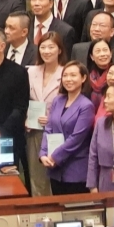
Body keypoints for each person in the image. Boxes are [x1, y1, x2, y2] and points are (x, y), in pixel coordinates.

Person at [40, 61, 95, 194]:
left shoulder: (86, 105)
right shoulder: (57, 100)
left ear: (83, 78)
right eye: (65, 75)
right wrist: (43, 153)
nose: (68, 79)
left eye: (73, 75)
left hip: (75, 170)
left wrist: (54, 157)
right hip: (54, 170)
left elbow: (76, 138)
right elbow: (49, 128)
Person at [26, 31, 67, 196]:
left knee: (54, 177)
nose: (47, 51)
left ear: (60, 50)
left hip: (57, 133)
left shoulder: (66, 73)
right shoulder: (30, 71)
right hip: (33, 131)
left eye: (51, 47)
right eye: (43, 47)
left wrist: (52, 118)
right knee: (36, 177)